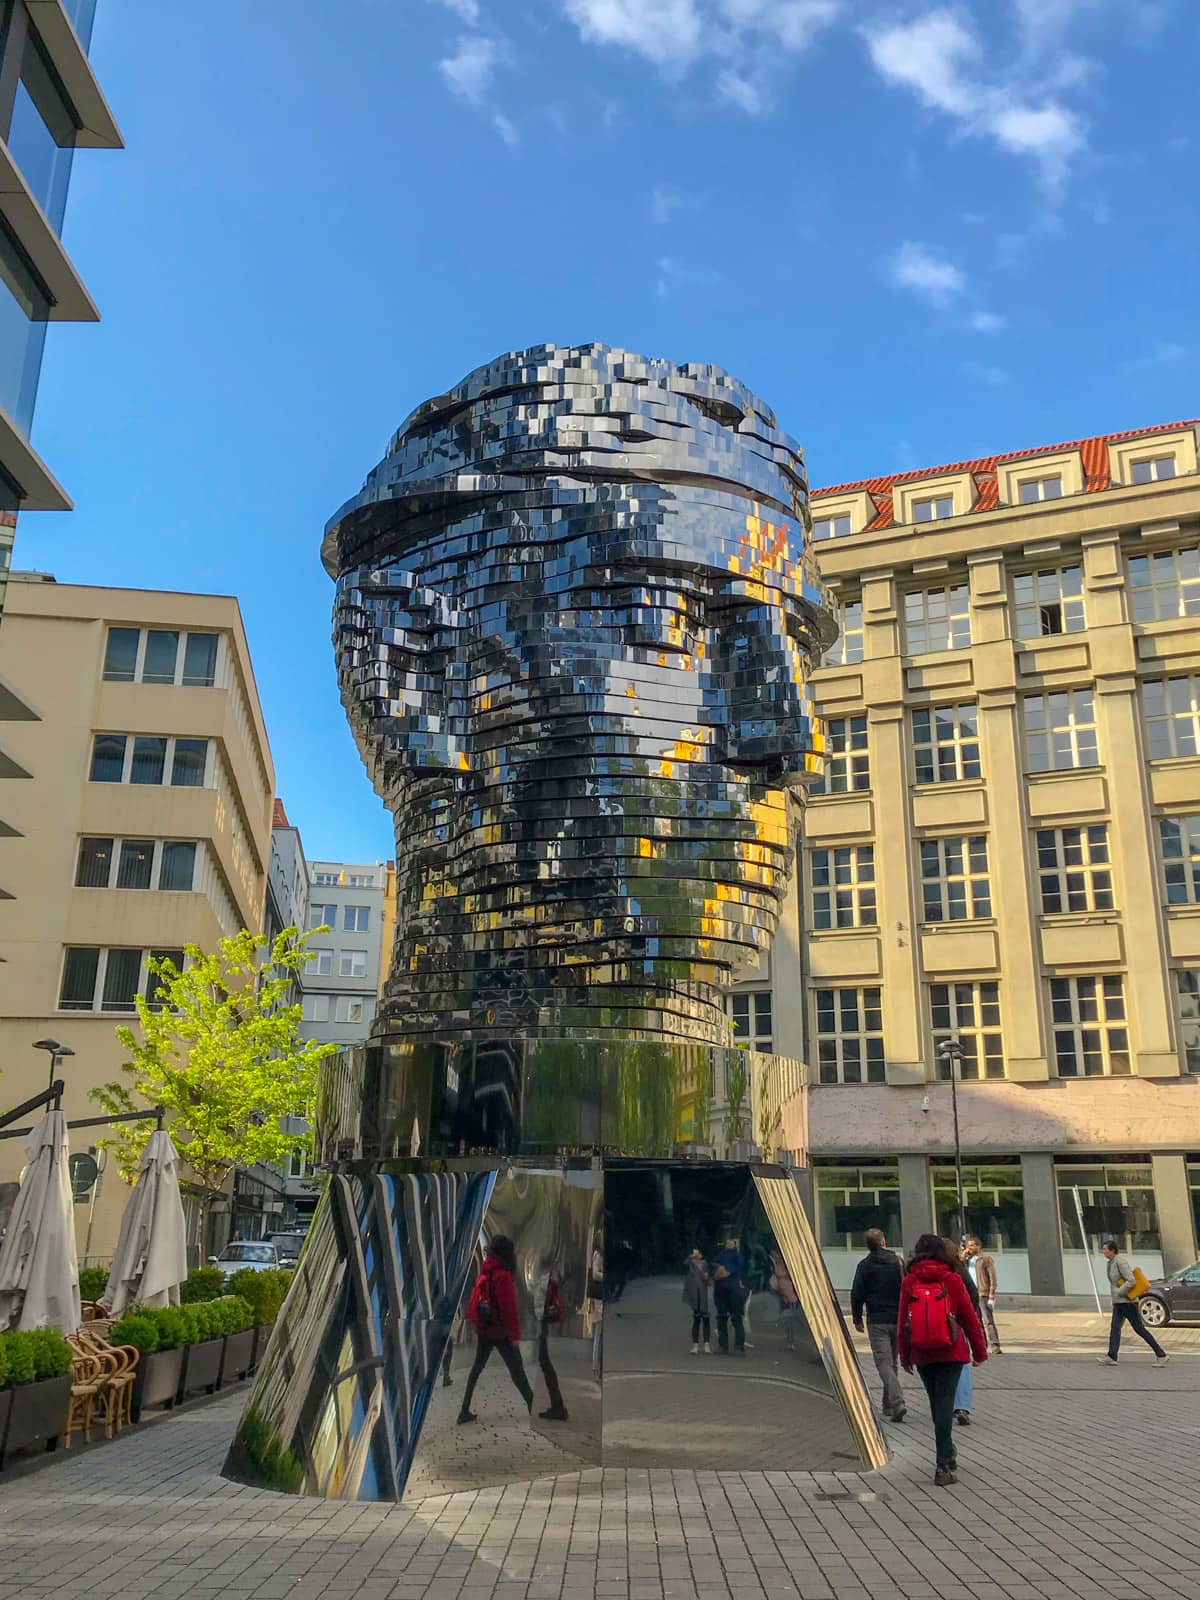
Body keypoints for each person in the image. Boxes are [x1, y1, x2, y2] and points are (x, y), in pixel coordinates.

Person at [898, 1234, 988, 1487]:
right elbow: (970, 1319)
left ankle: (947, 1453)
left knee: (936, 1403)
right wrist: (980, 1352)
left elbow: (902, 1322)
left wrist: (904, 1356)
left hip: (922, 1352)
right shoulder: (952, 1279)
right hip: (951, 1351)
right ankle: (943, 1462)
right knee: (945, 1404)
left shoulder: (910, 1281)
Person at [457, 1236, 534, 1423]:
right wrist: (514, 1335)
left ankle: (464, 1410)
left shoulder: (486, 1272)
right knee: (517, 1370)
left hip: (485, 1330)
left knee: (476, 1368)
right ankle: (532, 1404)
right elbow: (509, 1309)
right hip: (501, 1333)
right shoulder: (503, 1275)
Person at [851, 1228, 906, 1422]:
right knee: (892, 1362)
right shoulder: (898, 1262)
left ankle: (896, 1401)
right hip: (897, 1318)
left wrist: (857, 1317)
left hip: (877, 1320)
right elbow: (907, 1287)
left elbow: (857, 1293)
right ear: (883, 1241)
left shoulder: (864, 1265)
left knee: (883, 1362)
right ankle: (889, 1404)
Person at [1097, 1240, 1168, 1366]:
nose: (1104, 1252)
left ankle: (1161, 1354)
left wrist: (1120, 1291)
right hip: (1119, 1302)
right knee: (1115, 1328)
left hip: (1127, 1302)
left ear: (1112, 1250)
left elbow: (1131, 1280)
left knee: (1139, 1329)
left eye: (1105, 1249)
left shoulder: (1120, 1262)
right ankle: (1112, 1356)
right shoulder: (1111, 1263)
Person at [944, 1240, 981, 1428]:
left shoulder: (923, 1272)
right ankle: (962, 1407)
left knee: (940, 1366)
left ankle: (945, 1405)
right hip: (957, 1324)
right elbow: (973, 1298)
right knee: (962, 1364)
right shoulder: (959, 1272)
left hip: (932, 1326)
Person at [536, 1270, 569, 1421]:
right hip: (539, 1323)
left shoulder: (543, 1274)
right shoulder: (546, 1274)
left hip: (538, 1323)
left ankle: (558, 1406)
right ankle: (558, 1406)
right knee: (545, 1363)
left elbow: (539, 1299)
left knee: (545, 1363)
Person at [962, 1236, 1002, 1354]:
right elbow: (958, 1264)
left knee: (987, 1320)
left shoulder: (985, 1259)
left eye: (972, 1245)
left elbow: (992, 1278)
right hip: (971, 1293)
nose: (969, 1248)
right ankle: (982, 1345)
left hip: (982, 1293)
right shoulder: (969, 1260)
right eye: (968, 1246)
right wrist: (964, 1255)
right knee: (976, 1320)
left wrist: (991, 1295)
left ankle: (995, 1345)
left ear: (978, 1246)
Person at [712, 1236, 747, 1356]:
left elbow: (740, 1266)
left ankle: (739, 1346)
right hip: (721, 1290)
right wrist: (718, 1269)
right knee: (721, 1317)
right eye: (727, 1242)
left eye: (731, 1242)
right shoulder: (720, 1255)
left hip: (734, 1291)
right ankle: (723, 1346)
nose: (729, 1244)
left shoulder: (738, 1256)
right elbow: (713, 1265)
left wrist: (726, 1270)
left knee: (736, 1318)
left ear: (735, 1243)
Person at [683, 1248, 713, 1354]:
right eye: (694, 1253)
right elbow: (685, 1263)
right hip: (694, 1296)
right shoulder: (691, 1264)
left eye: (698, 1253)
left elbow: (709, 1279)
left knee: (705, 1319)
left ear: (701, 1255)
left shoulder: (705, 1264)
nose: (696, 1255)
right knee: (696, 1320)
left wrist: (707, 1277)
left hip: (703, 1295)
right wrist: (691, 1257)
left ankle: (706, 1345)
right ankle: (695, 1345)